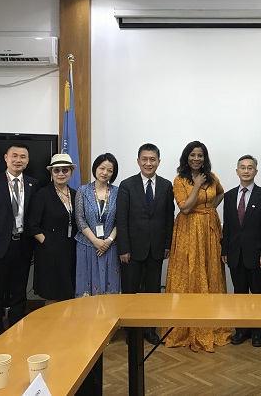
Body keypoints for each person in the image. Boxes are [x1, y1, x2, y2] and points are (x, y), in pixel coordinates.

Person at [163, 141, 231, 352]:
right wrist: (197, 186)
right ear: (186, 157)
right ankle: (185, 328)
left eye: (200, 155)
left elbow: (221, 193)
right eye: (192, 155)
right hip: (188, 229)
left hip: (209, 230)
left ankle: (211, 325)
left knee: (210, 272)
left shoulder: (212, 178)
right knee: (189, 271)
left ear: (204, 158)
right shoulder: (179, 180)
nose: (196, 159)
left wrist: (209, 209)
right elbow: (184, 208)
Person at [0, 143, 39, 339]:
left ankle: (16, 335)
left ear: (27, 161)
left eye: (23, 156)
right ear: (6, 158)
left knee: (19, 294)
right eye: (14, 155)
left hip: (23, 246)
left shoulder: (33, 184)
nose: (18, 160)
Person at [117, 144, 174, 345]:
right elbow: (121, 219)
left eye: (152, 159)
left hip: (156, 248)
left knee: (152, 292)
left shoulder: (166, 185)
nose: (148, 163)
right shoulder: (127, 185)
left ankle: (150, 329)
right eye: (145, 159)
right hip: (132, 249)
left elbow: (169, 218)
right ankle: (132, 331)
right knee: (130, 292)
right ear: (138, 161)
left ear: (158, 161)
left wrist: (167, 244)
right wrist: (123, 248)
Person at [221, 155, 261, 348]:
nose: (246, 171)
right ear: (237, 171)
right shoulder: (229, 196)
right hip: (235, 254)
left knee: (258, 295)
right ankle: (242, 330)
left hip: (257, 255)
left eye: (250, 167)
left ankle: (259, 332)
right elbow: (227, 226)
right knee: (240, 294)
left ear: (255, 172)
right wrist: (225, 249)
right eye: (242, 167)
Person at [29, 153, 78, 303]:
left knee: (69, 293)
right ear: (51, 172)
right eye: (56, 170)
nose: (61, 174)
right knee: (52, 294)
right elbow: (32, 224)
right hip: (49, 252)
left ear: (71, 172)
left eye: (65, 170)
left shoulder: (76, 194)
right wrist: (46, 242)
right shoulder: (43, 194)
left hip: (70, 250)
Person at [74, 153, 120, 297]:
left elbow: (121, 220)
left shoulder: (118, 192)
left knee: (110, 284)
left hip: (110, 246)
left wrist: (108, 241)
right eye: (102, 168)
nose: (105, 173)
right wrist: (95, 241)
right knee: (86, 284)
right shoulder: (83, 191)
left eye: (109, 170)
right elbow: (79, 219)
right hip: (87, 245)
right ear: (95, 168)